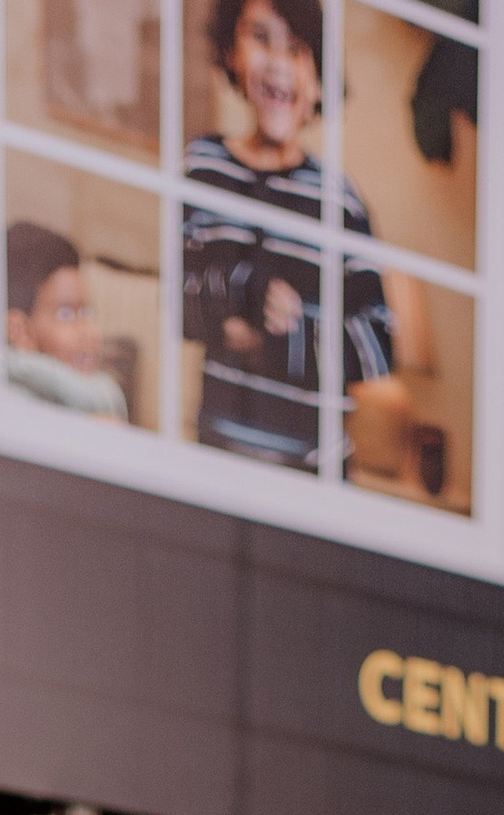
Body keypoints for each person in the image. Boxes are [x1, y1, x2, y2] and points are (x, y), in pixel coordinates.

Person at [182, 0, 394, 468]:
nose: (278, 61)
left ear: (318, 83)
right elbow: (178, 298)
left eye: (296, 49)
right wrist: (240, 297)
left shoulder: (339, 200)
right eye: (260, 38)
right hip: (217, 451)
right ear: (230, 52)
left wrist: (287, 338)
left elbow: (379, 342)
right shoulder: (203, 166)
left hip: (314, 469)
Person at [3, 219, 129, 419]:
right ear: (19, 330)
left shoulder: (100, 400)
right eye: (66, 314)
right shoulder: (11, 405)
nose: (87, 330)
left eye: (87, 313)